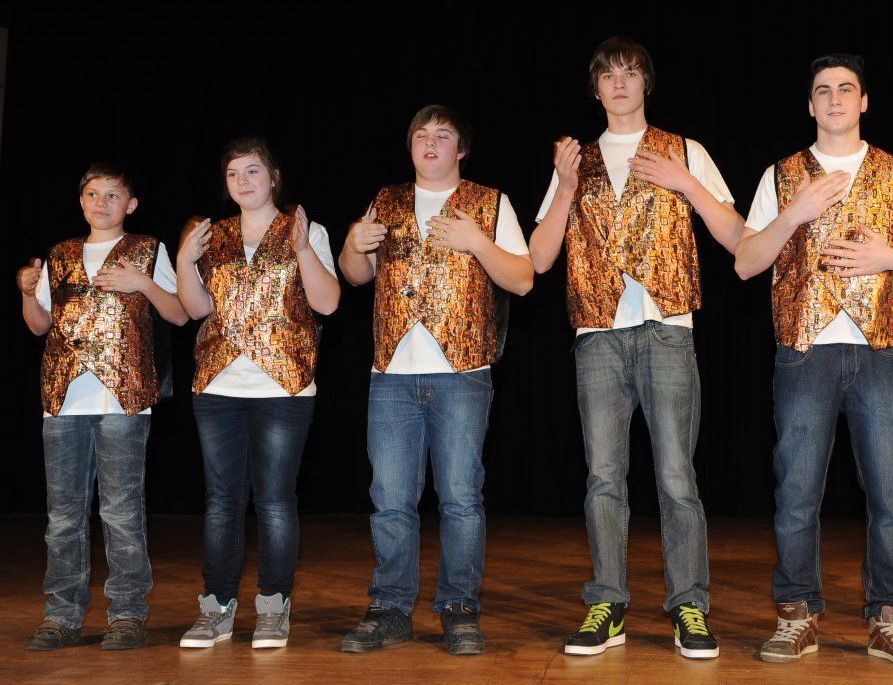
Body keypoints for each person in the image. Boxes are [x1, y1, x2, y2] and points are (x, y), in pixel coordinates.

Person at [735, 53, 893, 669]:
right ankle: (796, 614)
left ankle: (891, 618)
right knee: (796, 491)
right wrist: (794, 213)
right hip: (804, 352)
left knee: (890, 492)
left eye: (846, 88)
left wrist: (891, 257)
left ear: (864, 102)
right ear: (810, 105)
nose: (835, 98)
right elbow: (746, 263)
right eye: (824, 90)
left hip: (881, 351)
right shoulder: (781, 175)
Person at [529, 37, 743, 659]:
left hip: (667, 328)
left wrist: (686, 182)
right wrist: (565, 185)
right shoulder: (577, 159)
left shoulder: (685, 149)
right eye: (607, 74)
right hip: (597, 335)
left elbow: (736, 234)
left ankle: (689, 606)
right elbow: (539, 257)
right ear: (594, 89)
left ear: (647, 83)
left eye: (630, 72)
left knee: (676, 476)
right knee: (603, 476)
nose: (619, 82)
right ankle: (608, 603)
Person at [337, 105, 533, 656]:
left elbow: (522, 279)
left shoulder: (489, 203)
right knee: (390, 499)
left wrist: (478, 242)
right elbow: (355, 276)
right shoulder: (386, 199)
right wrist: (352, 244)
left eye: (442, 136)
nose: (429, 143)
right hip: (391, 375)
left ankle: (460, 608)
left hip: (462, 373)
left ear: (461, 149)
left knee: (461, 498)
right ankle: (390, 608)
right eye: (421, 135)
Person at [176, 136, 340, 649]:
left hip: (284, 386)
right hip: (217, 384)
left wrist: (303, 249)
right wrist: (184, 261)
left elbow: (328, 303)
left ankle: (273, 605)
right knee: (222, 502)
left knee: (274, 500)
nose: (242, 181)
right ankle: (216, 607)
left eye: (252, 170)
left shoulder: (305, 228)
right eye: (233, 173)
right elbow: (197, 310)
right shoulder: (212, 235)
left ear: (274, 177)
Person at [18, 162, 187, 651]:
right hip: (63, 400)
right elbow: (39, 325)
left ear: (130, 205)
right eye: (93, 193)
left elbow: (178, 313)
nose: (102, 202)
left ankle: (128, 614)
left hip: (124, 398)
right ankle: (62, 614)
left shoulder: (148, 249)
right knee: (63, 516)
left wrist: (144, 284)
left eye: (113, 195)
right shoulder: (60, 253)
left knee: (121, 511)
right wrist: (28, 294)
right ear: (81, 201)